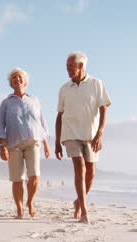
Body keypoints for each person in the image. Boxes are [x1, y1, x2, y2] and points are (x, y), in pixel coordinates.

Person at [55, 51, 111, 224]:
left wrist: (100, 133)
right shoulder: (64, 88)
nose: (68, 69)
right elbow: (59, 116)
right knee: (79, 167)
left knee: (91, 173)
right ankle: (84, 211)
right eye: (67, 66)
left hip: (91, 134)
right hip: (70, 133)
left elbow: (103, 109)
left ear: (81, 66)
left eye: (71, 65)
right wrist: (57, 141)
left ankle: (79, 200)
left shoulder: (96, 84)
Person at [0, 68, 50, 219]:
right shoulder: (6, 103)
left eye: (19, 77)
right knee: (17, 179)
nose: (17, 79)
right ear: (10, 83)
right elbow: (0, 125)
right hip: (13, 145)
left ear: (25, 81)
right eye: (13, 78)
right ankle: (19, 210)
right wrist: (2, 147)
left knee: (35, 175)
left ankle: (30, 202)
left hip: (33, 142)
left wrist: (46, 144)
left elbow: (41, 122)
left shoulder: (34, 100)